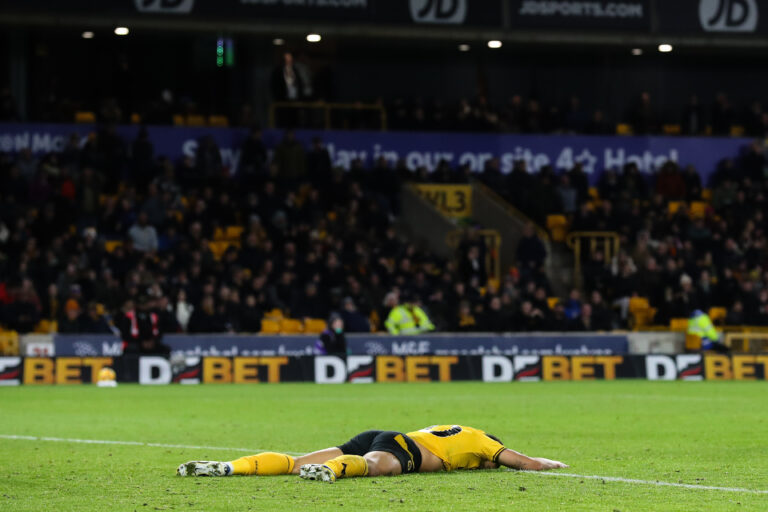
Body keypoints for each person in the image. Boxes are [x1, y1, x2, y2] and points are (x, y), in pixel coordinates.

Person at [177, 424, 568, 481]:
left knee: (297, 461)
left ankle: (229, 467)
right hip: (403, 447)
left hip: (383, 432)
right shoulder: (485, 443)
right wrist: (549, 463)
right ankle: (332, 470)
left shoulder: (458, 429)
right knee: (371, 468)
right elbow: (523, 462)